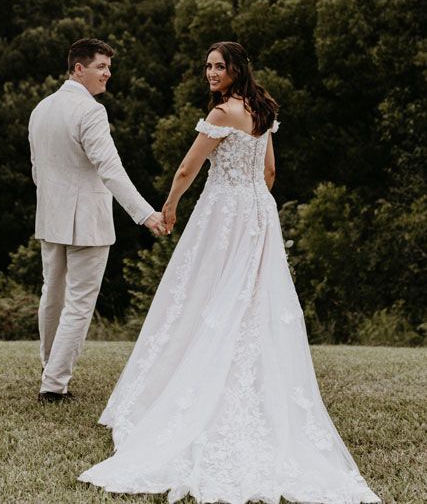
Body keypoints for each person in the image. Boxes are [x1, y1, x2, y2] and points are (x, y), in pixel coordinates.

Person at [80, 41, 380, 503]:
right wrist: (253, 201)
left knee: (204, 293)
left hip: (223, 211)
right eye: (207, 66)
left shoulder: (222, 115)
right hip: (258, 211)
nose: (211, 73)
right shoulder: (262, 111)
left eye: (219, 67)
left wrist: (171, 206)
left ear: (237, 69)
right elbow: (271, 172)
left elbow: (187, 168)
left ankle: (186, 388)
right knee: (250, 297)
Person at [28, 37, 166, 404]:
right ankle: (54, 385)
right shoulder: (90, 111)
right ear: (78, 68)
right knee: (78, 302)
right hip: (87, 220)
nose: (108, 74)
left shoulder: (40, 109)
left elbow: (37, 170)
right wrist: (145, 213)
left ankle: (49, 370)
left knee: (52, 295)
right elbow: (112, 170)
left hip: (51, 217)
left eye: (109, 67)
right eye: (101, 67)